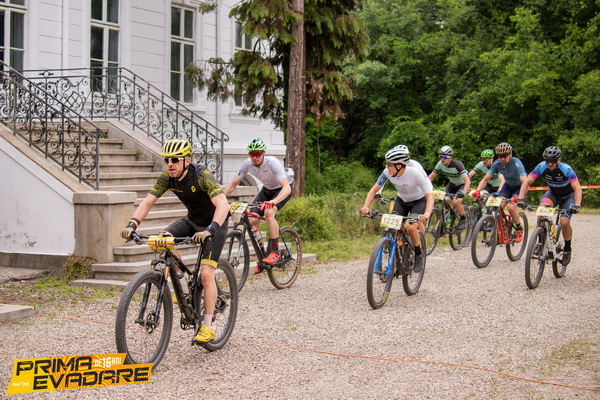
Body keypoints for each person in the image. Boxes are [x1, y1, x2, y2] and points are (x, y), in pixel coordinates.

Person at [120, 139, 229, 344]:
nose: (170, 164)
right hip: (192, 220)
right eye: (167, 160)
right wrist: (132, 225)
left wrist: (211, 230)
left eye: (175, 160)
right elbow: (148, 202)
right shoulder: (168, 178)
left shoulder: (201, 175)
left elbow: (223, 204)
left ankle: (207, 326)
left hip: (215, 223)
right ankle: (185, 278)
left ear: (187, 160)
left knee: (207, 274)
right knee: (163, 240)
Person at [223, 138, 293, 274]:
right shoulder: (247, 164)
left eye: (257, 154)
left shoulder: (272, 163)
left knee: (268, 213)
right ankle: (263, 254)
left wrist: (273, 202)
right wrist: (219, 199)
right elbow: (232, 185)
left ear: (263, 153)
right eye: (252, 154)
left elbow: (287, 188)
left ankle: (274, 251)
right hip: (266, 190)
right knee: (252, 220)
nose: (254, 157)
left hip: (281, 190)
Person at [361, 146, 434, 272]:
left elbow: (429, 197)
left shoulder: (414, 173)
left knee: (410, 227)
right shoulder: (387, 172)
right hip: (402, 201)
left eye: (389, 164)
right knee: (393, 227)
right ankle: (398, 256)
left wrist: (427, 214)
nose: (386, 166)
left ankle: (418, 253)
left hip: (418, 201)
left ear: (399, 166)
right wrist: (366, 206)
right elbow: (373, 190)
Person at [517, 146, 582, 266]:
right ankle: (540, 241)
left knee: (564, 222)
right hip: (552, 193)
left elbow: (577, 188)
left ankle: (567, 249)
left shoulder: (566, 169)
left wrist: (577, 205)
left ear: (558, 160)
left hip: (568, 196)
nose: (550, 163)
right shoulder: (541, 166)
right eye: (548, 161)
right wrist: (521, 198)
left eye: (553, 161)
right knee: (541, 211)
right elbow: (527, 181)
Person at [472, 142, 527, 242]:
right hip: (508, 186)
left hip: (519, 187)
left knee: (511, 207)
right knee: (497, 206)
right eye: (500, 156)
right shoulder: (497, 164)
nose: (502, 159)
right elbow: (485, 179)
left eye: (504, 156)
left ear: (510, 154)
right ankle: (502, 228)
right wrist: (478, 191)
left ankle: (519, 228)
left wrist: (521, 197)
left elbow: (525, 182)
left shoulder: (516, 163)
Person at [428, 145, 471, 231]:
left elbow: (467, 181)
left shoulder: (457, 165)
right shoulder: (440, 164)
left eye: (444, 157)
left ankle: (463, 218)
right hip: (451, 185)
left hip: (461, 185)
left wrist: (463, 193)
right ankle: (444, 223)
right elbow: (431, 177)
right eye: (440, 156)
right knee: (444, 202)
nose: (442, 159)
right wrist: (424, 187)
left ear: (450, 158)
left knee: (456, 201)